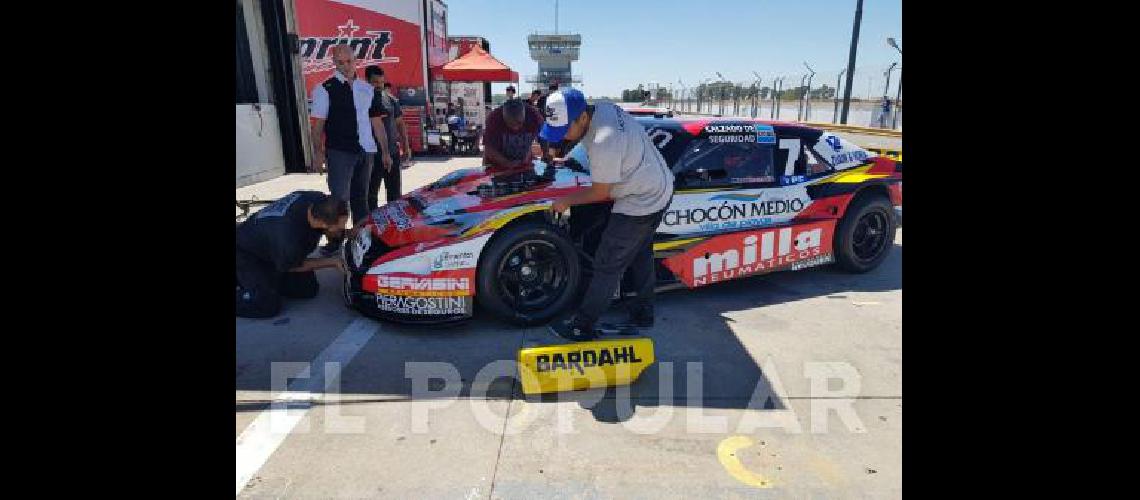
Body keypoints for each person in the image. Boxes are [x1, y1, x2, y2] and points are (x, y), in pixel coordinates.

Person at [541, 89, 675, 341]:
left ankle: (583, 325)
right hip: (661, 185)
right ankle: (644, 312)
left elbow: (600, 192)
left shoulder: (605, 140)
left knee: (607, 263)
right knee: (640, 251)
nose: (561, 139)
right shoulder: (604, 107)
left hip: (642, 199)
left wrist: (565, 202)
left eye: (564, 130)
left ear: (582, 117)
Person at [309, 45, 390, 256]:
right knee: (338, 200)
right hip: (340, 152)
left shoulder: (367, 89)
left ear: (356, 61)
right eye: (340, 62)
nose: (345, 66)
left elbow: (377, 124)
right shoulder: (324, 89)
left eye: (349, 61)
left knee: (361, 198)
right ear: (334, 63)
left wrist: (386, 151)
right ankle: (335, 242)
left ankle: (361, 240)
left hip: (366, 151)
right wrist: (318, 154)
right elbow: (317, 126)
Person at [236, 191, 349, 318]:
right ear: (323, 224)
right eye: (340, 227)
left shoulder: (317, 200)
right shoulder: (288, 238)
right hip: (245, 253)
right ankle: (250, 283)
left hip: (271, 248)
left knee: (307, 288)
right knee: (266, 304)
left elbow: (334, 230)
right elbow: (293, 266)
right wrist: (331, 262)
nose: (343, 229)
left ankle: (261, 281)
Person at [364, 66, 411, 210]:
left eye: (381, 82)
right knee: (370, 195)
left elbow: (400, 124)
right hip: (370, 156)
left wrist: (406, 146)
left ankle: (394, 227)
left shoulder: (391, 100)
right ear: (366, 81)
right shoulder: (361, 101)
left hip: (392, 153)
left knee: (395, 195)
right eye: (374, 82)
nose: (378, 85)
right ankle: (371, 227)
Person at [482, 98, 543, 173]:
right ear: (503, 117)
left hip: (524, 165)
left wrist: (545, 153)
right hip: (496, 166)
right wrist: (507, 163)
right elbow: (489, 149)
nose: (515, 128)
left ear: (524, 115)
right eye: (510, 124)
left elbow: (544, 136)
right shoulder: (493, 119)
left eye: (519, 123)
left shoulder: (535, 117)